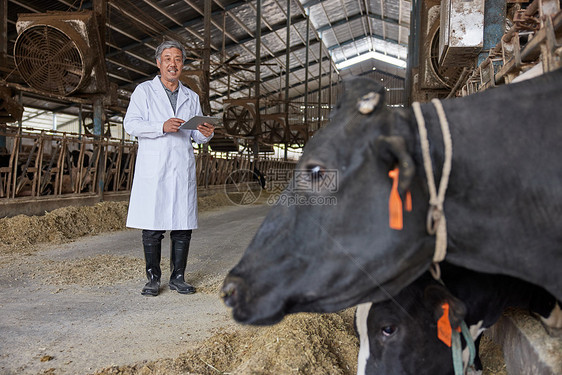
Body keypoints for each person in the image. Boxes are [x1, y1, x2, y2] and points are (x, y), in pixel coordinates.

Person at [124, 39, 215, 296]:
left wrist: (206, 133)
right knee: (152, 228)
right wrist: (160, 126)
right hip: (154, 168)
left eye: (177, 59)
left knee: (182, 226)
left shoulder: (191, 96)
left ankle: (178, 277)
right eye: (167, 59)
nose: (172, 64)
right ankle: (153, 278)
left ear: (182, 65)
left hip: (181, 166)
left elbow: (195, 136)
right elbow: (130, 124)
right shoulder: (143, 92)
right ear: (158, 63)